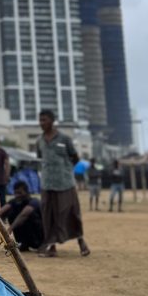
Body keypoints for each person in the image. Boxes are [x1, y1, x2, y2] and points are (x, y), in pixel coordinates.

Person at [36, 109, 89, 257]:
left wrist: (65, 170)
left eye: (44, 120)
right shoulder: (39, 141)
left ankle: (81, 241)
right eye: (40, 120)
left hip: (65, 183)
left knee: (71, 213)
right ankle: (51, 247)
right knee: (48, 215)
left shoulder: (65, 139)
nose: (41, 123)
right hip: (47, 184)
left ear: (52, 121)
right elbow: (41, 158)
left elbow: (75, 158)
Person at [0, 180, 44, 252]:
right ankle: (23, 244)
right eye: (16, 193)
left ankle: (43, 244)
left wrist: (9, 229)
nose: (17, 195)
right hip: (25, 240)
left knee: (27, 216)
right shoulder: (14, 202)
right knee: (11, 214)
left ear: (26, 192)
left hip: (38, 238)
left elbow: (24, 214)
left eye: (20, 193)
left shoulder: (34, 202)